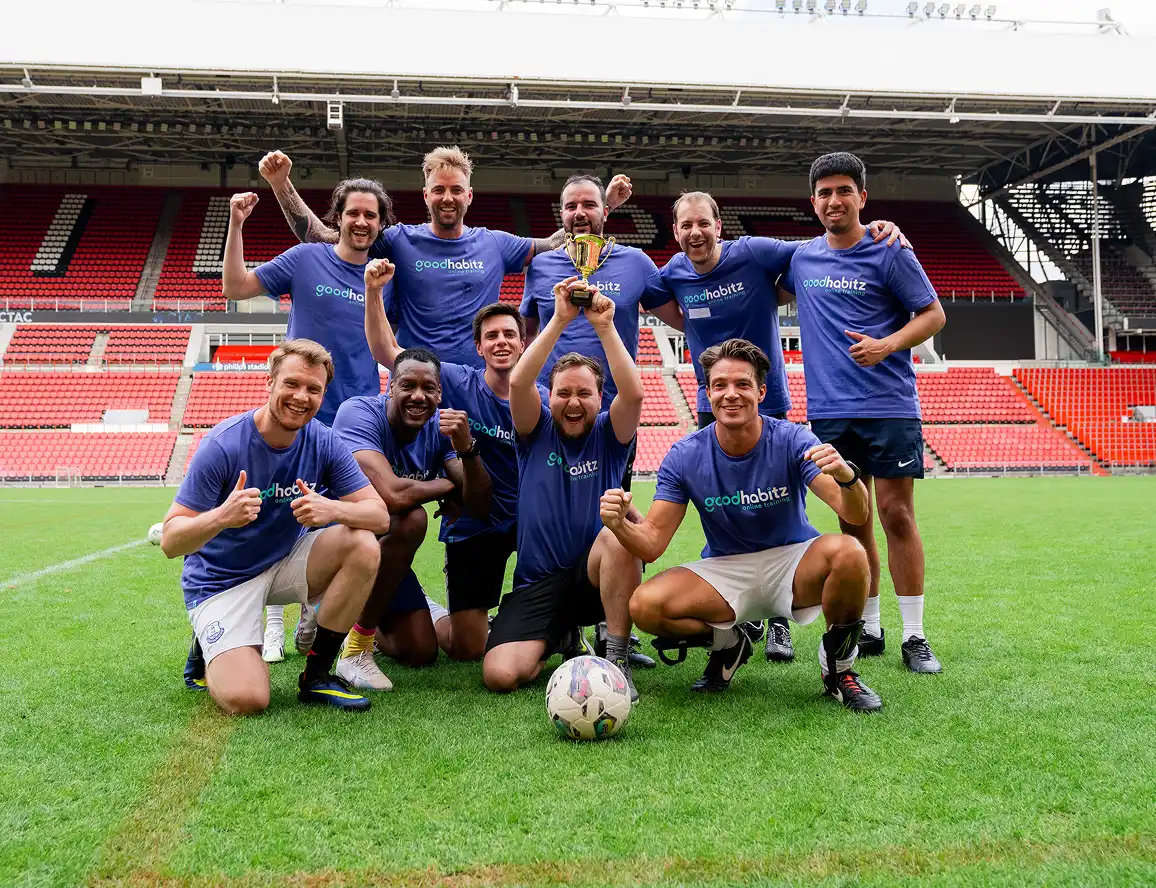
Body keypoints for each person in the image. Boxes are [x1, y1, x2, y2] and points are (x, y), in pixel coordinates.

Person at [659, 190, 906, 663]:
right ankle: (741, 607)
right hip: (713, 403)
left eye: (703, 223)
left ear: (719, 225)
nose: (695, 232)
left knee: (775, 501)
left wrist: (877, 232)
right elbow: (659, 304)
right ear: (675, 232)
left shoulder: (752, 251)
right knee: (726, 508)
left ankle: (780, 621)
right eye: (685, 225)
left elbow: (816, 252)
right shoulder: (672, 273)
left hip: (765, 401)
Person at [599, 338, 882, 711]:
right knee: (646, 606)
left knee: (850, 552)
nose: (731, 395)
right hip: (726, 569)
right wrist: (619, 524)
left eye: (743, 385)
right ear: (707, 393)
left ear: (761, 392)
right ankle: (730, 643)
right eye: (720, 385)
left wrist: (848, 477)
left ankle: (839, 670)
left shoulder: (793, 439)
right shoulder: (685, 455)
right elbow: (651, 543)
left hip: (792, 562)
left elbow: (856, 513)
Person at [779, 152, 946, 674]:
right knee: (854, 519)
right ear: (813, 201)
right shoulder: (802, 258)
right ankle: (869, 625)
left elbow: (934, 314)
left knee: (897, 516)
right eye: (825, 192)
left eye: (844, 190)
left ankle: (915, 635)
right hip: (831, 410)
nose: (834, 200)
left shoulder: (889, 249)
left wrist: (888, 344)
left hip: (890, 406)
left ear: (862, 197)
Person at [166, 340, 390, 715]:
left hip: (284, 562)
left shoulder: (324, 440)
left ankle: (317, 676)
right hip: (223, 580)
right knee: (248, 700)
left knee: (364, 545)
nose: (301, 397)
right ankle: (207, 645)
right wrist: (222, 516)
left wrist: (330, 507)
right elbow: (171, 541)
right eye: (292, 384)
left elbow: (379, 515)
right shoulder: (222, 445)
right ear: (269, 383)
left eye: (313, 389)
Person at [221, 181, 394, 664]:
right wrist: (236, 224)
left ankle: (314, 612)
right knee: (277, 506)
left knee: (343, 517)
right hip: (299, 406)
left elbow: (387, 342)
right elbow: (235, 288)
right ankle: (269, 616)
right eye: (353, 212)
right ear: (338, 216)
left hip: (357, 412)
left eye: (371, 215)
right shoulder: (304, 258)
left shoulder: (386, 275)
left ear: (380, 224)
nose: (361, 222)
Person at [258, 147, 633, 368]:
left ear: (470, 196)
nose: (448, 197)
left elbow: (559, 241)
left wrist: (607, 208)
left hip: (478, 386)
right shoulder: (398, 239)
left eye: (456, 189)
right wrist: (281, 185)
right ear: (426, 195)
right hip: (415, 383)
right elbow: (324, 236)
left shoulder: (495, 243)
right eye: (439, 189)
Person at [362, 258, 544, 662]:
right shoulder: (456, 382)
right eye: (491, 335)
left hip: (531, 520)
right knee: (468, 650)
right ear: (478, 347)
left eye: (510, 335)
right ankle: (451, 617)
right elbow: (388, 351)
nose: (501, 342)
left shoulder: (542, 399)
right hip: (478, 521)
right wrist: (374, 292)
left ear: (522, 344)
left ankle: (545, 624)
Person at [482, 277, 643, 701]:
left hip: (593, 580)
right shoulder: (535, 431)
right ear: (548, 397)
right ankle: (561, 640)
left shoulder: (610, 434)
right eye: (564, 393)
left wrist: (605, 327)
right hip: (537, 582)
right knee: (500, 676)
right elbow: (518, 383)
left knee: (618, 532)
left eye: (584, 394)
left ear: (599, 397)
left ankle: (617, 659)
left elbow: (635, 393)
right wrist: (558, 319)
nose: (573, 403)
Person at [329, 342, 492, 690]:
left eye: (428, 388)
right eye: (408, 386)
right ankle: (354, 647)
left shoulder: (438, 431)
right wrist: (447, 486)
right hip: (338, 547)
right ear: (390, 387)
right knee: (412, 517)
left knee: (420, 651)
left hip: (383, 553)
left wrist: (468, 450)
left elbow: (478, 504)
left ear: (439, 394)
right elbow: (392, 494)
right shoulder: (358, 414)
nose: (418, 396)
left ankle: (336, 620)